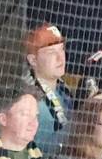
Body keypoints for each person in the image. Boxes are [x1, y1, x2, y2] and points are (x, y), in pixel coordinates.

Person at [18, 26, 72, 154]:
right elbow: (44, 149)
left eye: (62, 49)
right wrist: (82, 121)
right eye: (51, 52)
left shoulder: (62, 89)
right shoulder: (31, 102)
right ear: (33, 60)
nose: (60, 58)